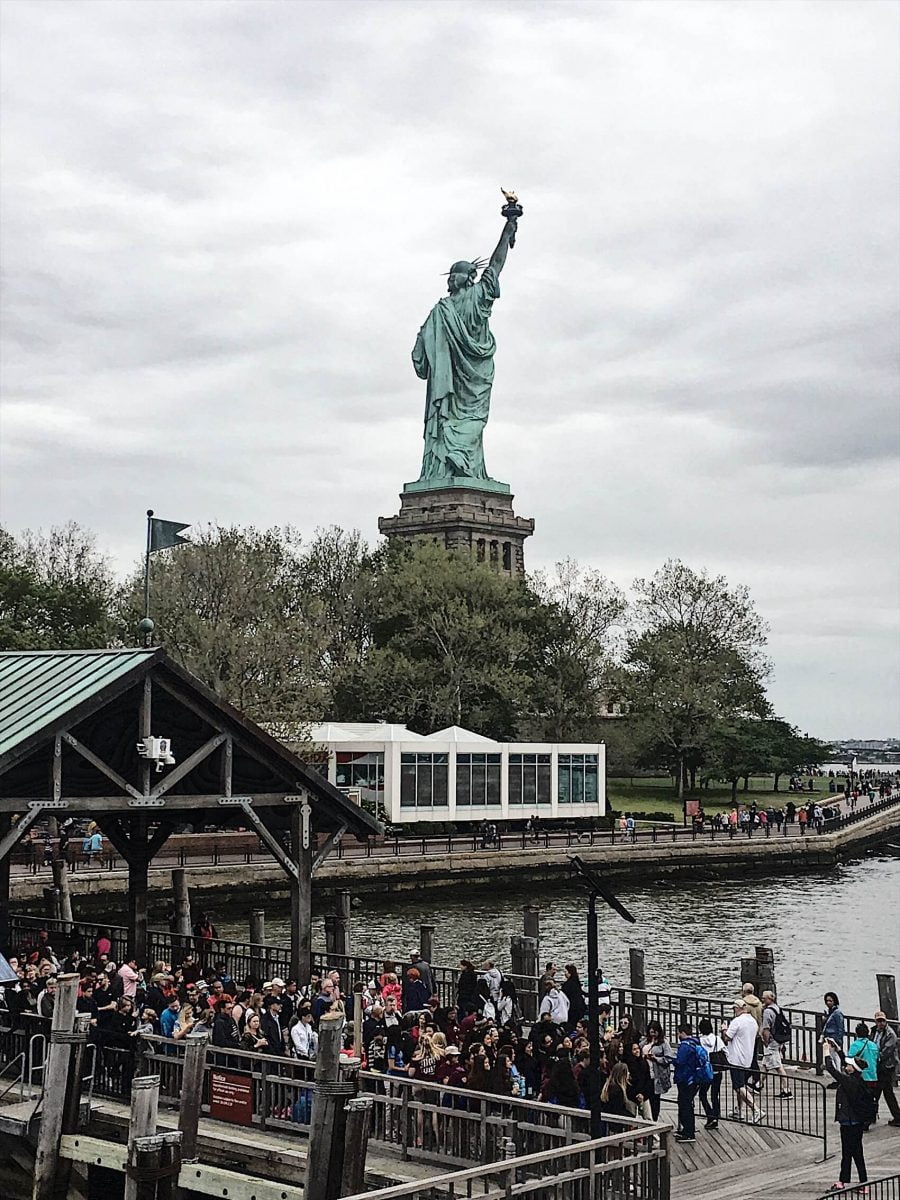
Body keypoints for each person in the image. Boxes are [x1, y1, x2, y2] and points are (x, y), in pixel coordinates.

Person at [823, 1041, 877, 1191]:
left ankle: (847, 1182)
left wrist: (827, 1052)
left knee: (849, 1153)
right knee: (855, 1152)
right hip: (856, 1121)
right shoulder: (857, 1079)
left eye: (848, 1066)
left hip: (849, 1122)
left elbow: (831, 1069)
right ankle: (860, 1182)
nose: (846, 1067)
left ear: (853, 1069)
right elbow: (847, 1061)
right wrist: (839, 1050)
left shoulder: (848, 1081)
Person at [722, 1000, 764, 1122]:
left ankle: (756, 1110)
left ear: (739, 1008)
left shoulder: (737, 1022)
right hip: (747, 1058)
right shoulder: (753, 1021)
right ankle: (739, 1110)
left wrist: (724, 1029)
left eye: (734, 1009)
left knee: (739, 1086)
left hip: (736, 1058)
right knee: (740, 1085)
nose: (733, 1011)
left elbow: (727, 1037)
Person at [673, 1023, 707, 1143]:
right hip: (694, 1078)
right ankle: (688, 1130)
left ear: (682, 1033)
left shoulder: (684, 1045)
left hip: (685, 1078)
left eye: (678, 1033)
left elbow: (679, 1061)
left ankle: (688, 1132)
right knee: (687, 1104)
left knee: (685, 1104)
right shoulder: (695, 1042)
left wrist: (671, 1059)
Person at [760, 991, 793, 1098]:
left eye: (764, 998)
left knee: (778, 1067)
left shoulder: (767, 1012)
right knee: (765, 1064)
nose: (762, 1000)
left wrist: (765, 1042)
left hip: (772, 1042)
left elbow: (766, 1029)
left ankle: (786, 1090)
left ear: (770, 999)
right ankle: (759, 1084)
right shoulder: (777, 1008)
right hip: (778, 1040)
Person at [871, 1010, 900, 1125]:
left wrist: (874, 1057)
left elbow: (886, 1051)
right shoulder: (873, 1031)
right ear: (875, 1022)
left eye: (883, 1021)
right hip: (878, 1065)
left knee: (885, 1091)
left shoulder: (890, 1034)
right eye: (878, 1021)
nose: (881, 1023)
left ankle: (896, 1116)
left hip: (888, 1066)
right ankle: (872, 1114)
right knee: (877, 1091)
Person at [642, 1020, 674, 1121]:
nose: (653, 1034)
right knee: (647, 1097)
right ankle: (648, 1119)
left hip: (657, 1075)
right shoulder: (645, 1041)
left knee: (655, 1099)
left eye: (654, 1032)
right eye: (651, 1032)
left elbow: (669, 1058)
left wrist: (656, 1058)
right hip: (646, 1073)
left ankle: (654, 1120)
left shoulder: (664, 1043)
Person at [697, 1016, 725, 1129]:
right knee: (715, 1094)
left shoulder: (700, 1040)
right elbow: (725, 1052)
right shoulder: (717, 1039)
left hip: (706, 1070)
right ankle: (716, 1116)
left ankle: (709, 1115)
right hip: (718, 1070)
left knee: (702, 1094)